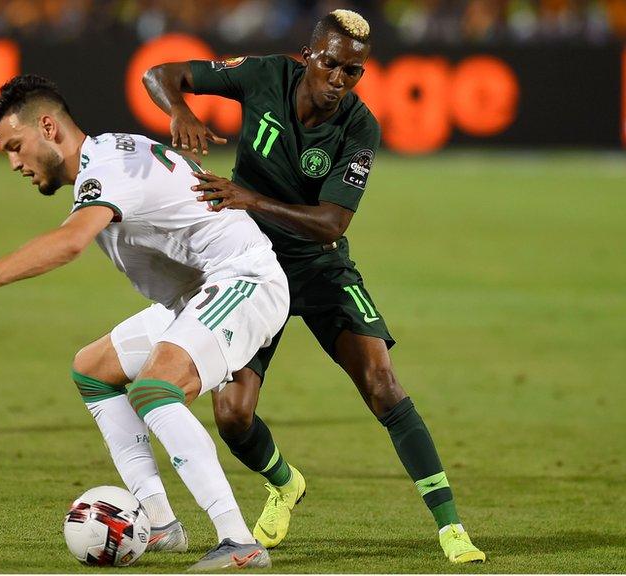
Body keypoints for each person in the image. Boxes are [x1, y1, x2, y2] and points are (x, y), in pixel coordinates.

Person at [142, 8, 486, 564]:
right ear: (309, 55)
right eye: (332, 65)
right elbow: (158, 74)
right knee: (232, 414)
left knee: (382, 383)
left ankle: (451, 527)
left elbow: (331, 223)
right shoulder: (262, 75)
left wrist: (249, 198)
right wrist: (180, 110)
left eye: (354, 72)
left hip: (320, 267)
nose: (340, 81)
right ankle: (284, 482)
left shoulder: (359, 126)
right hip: (250, 269)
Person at [0, 74, 290, 570]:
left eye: (15, 146)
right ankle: (159, 523)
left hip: (244, 282)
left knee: (156, 389)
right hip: (197, 295)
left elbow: (70, 242)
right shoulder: (105, 156)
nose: (14, 163)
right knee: (93, 369)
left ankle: (237, 540)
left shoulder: (108, 168)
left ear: (48, 127)